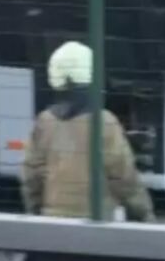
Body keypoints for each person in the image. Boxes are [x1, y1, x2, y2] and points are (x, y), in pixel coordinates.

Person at [21, 41, 154, 222]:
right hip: (98, 223)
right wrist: (144, 214)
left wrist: (36, 210)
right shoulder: (105, 122)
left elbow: (31, 177)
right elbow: (125, 178)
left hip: (52, 222)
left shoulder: (45, 122)